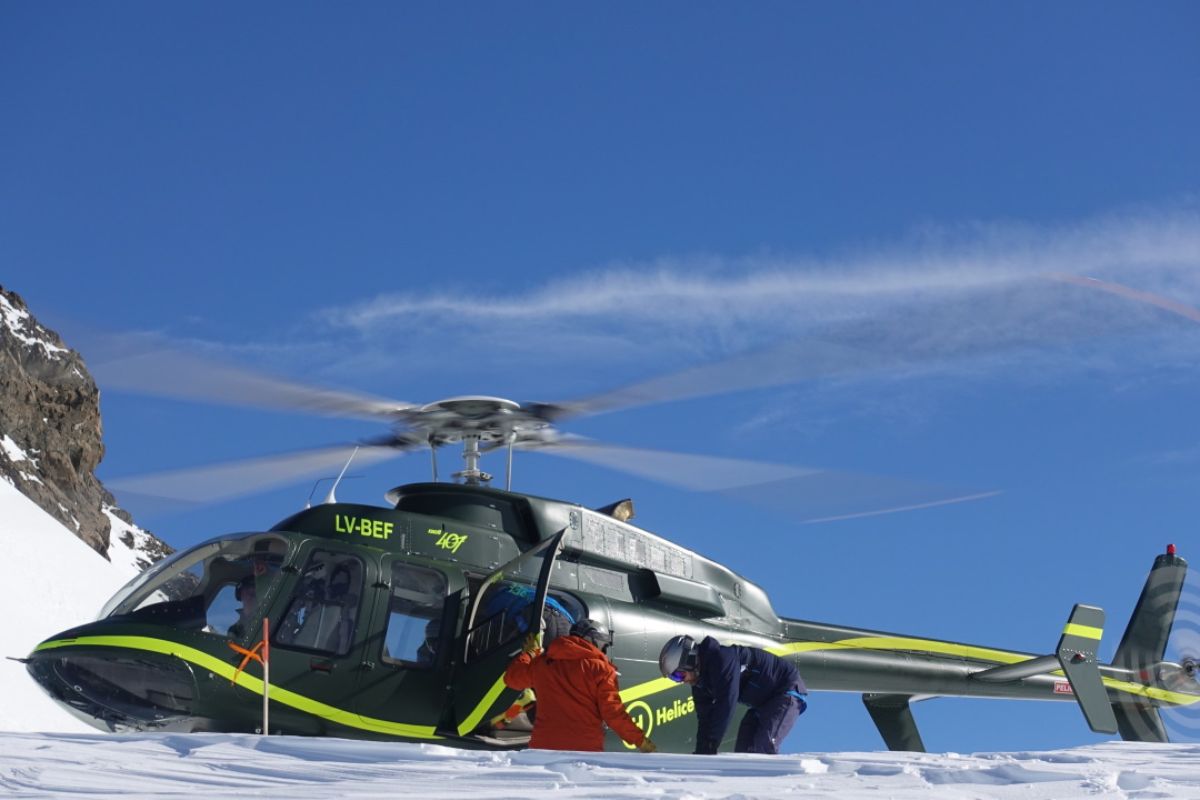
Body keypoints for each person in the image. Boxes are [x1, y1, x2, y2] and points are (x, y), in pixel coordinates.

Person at [504, 618, 657, 753]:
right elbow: (613, 713)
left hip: (543, 747)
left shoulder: (544, 663)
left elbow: (512, 679)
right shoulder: (601, 669)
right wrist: (640, 740)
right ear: (594, 641)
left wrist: (529, 654)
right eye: (603, 646)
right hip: (585, 750)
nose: (603, 651)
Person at [659, 634, 807, 755]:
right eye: (674, 678)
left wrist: (711, 745)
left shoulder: (723, 659)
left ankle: (773, 788)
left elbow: (726, 704)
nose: (680, 681)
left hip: (785, 691)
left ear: (689, 661)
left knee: (764, 745)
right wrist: (702, 751)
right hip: (762, 704)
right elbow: (705, 719)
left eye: (678, 675)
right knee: (742, 754)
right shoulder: (700, 683)